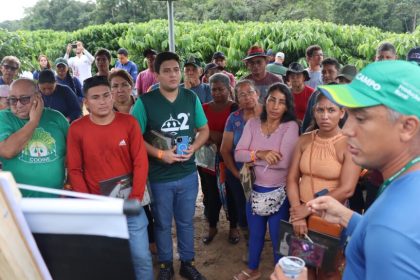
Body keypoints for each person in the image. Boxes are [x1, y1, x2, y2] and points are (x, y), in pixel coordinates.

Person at [306, 60, 420, 279]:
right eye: (349, 115)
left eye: (361, 118)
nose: (347, 129)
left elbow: (389, 233)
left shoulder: (391, 233)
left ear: (407, 127)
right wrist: (347, 217)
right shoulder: (407, 181)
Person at [131, 51, 209, 280]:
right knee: (163, 224)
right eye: (166, 70)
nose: (173, 75)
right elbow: (135, 137)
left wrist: (193, 148)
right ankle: (166, 265)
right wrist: (159, 153)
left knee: (186, 222)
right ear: (156, 75)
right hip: (158, 176)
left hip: (186, 173)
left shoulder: (190, 97)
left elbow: (203, 130)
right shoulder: (145, 102)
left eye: (176, 69)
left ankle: (188, 262)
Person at [67, 76, 153, 280]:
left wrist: (136, 196)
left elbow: (140, 162)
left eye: (106, 95)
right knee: (108, 259)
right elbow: (75, 170)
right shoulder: (77, 129)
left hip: (131, 203)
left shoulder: (129, 123)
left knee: (141, 256)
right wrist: (88, 202)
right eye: (95, 97)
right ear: (86, 102)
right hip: (98, 206)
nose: (103, 101)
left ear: (112, 95)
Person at [287, 92, 360, 279]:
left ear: (342, 113)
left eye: (331, 110)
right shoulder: (304, 139)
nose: (325, 115)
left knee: (329, 270)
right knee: (306, 266)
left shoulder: (349, 144)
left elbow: (347, 188)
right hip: (301, 215)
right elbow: (292, 178)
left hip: (332, 217)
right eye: (320, 110)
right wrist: (297, 213)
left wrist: (307, 209)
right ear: (314, 111)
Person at [234, 83, 299, 280]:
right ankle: (254, 269)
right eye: (272, 99)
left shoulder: (291, 126)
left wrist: (252, 158)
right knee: (255, 234)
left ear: (287, 106)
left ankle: (280, 273)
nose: (275, 106)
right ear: (265, 100)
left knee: (280, 237)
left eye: (281, 102)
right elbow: (238, 154)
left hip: (280, 191)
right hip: (254, 191)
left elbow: (285, 162)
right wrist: (261, 154)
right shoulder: (252, 124)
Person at [0, 78, 69, 197]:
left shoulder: (57, 118)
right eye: (13, 100)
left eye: (24, 99)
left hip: (56, 198)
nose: (18, 105)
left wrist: (69, 185)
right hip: (17, 200)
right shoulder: (4, 118)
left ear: (37, 97)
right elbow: (7, 151)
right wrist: (34, 122)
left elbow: (74, 154)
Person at [220, 79, 262, 254]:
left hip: (267, 174)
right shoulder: (234, 119)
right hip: (239, 174)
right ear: (237, 99)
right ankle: (250, 244)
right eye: (242, 95)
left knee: (266, 211)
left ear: (257, 94)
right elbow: (225, 149)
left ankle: (262, 240)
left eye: (250, 92)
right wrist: (236, 173)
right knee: (243, 212)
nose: (247, 97)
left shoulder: (270, 114)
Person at [199, 73, 238, 245]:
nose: (216, 93)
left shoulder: (234, 108)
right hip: (207, 162)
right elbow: (198, 131)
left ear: (229, 89)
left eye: (220, 89)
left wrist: (212, 135)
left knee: (231, 194)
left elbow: (235, 136)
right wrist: (211, 136)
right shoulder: (204, 108)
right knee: (210, 196)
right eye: (213, 89)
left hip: (228, 160)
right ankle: (212, 226)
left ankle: (234, 227)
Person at [301, 58, 340, 132]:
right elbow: (307, 121)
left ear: (338, 73)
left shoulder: (344, 95)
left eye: (330, 72)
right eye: (323, 72)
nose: (326, 75)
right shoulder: (315, 95)